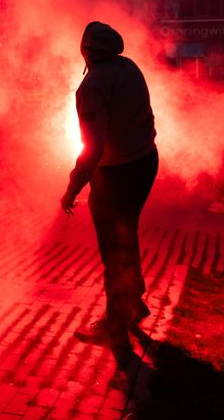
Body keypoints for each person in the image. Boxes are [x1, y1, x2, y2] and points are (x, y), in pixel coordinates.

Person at [60, 22, 157, 350]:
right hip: (145, 161)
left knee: (114, 246)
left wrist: (73, 187)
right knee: (126, 234)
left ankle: (115, 321)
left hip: (117, 172)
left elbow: (93, 147)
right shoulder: (130, 67)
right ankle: (134, 300)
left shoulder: (92, 86)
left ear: (87, 51)